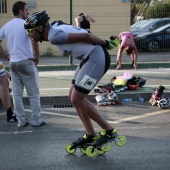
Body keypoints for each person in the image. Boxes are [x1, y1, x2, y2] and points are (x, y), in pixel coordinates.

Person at [24, 10, 120, 145]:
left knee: (77, 98)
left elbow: (86, 37)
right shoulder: (55, 27)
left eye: (30, 31)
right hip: (89, 58)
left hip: (96, 58)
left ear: (39, 29)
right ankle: (90, 134)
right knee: (72, 96)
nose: (29, 35)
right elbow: (81, 33)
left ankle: (109, 131)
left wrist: (106, 43)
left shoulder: (54, 36)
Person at [0, 1, 45, 127]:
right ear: (20, 11)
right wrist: (37, 56)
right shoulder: (26, 24)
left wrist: (5, 56)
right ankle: (36, 120)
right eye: (26, 10)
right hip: (26, 61)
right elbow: (34, 40)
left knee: (17, 94)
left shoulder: (7, 26)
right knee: (33, 93)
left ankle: (21, 120)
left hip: (13, 62)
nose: (28, 12)